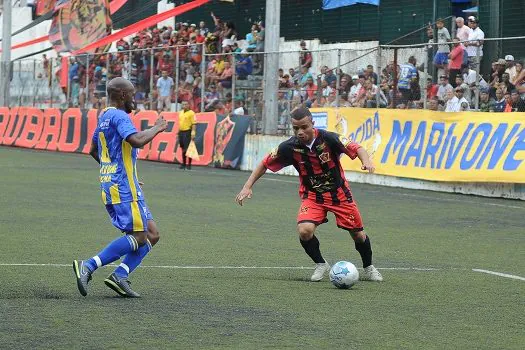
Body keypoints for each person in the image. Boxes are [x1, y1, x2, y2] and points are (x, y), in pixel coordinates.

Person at [235, 107, 383, 283]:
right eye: (296, 128)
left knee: (358, 235)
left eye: (304, 127)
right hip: (312, 196)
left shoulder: (329, 138)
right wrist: (247, 186)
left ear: (312, 123)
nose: (300, 132)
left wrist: (366, 161)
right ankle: (321, 264)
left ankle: (368, 267)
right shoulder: (289, 147)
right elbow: (265, 163)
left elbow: (356, 148)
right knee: (304, 231)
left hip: (339, 194)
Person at [73, 77, 168, 298]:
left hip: (121, 183)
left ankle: (120, 275)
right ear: (123, 95)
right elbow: (135, 140)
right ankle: (88, 265)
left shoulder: (104, 117)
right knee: (139, 236)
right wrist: (158, 128)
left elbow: (93, 150)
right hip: (122, 187)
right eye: (133, 94)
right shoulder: (118, 115)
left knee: (152, 234)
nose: (135, 99)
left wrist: (120, 171)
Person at [178, 100, 197, 170]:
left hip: (187, 132)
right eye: (183, 104)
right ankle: (183, 163)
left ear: (188, 105)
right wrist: (178, 132)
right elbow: (180, 123)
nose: (184, 106)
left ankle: (189, 164)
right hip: (181, 132)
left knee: (188, 148)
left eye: (186, 104)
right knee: (183, 148)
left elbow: (194, 124)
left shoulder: (191, 113)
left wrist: (193, 132)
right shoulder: (180, 113)